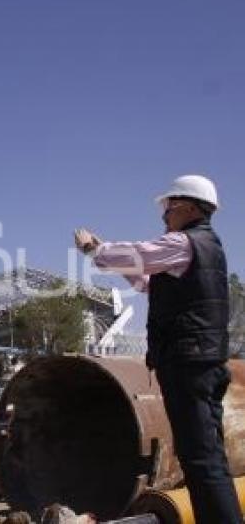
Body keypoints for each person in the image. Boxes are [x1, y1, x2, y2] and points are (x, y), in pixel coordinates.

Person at [74, 175, 242, 524]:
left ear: (189, 207)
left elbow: (137, 255)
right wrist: (118, 264)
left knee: (201, 460)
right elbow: (147, 278)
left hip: (189, 363)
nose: (164, 216)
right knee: (204, 456)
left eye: (169, 208)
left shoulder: (184, 242)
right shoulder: (203, 247)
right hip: (203, 361)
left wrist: (95, 250)